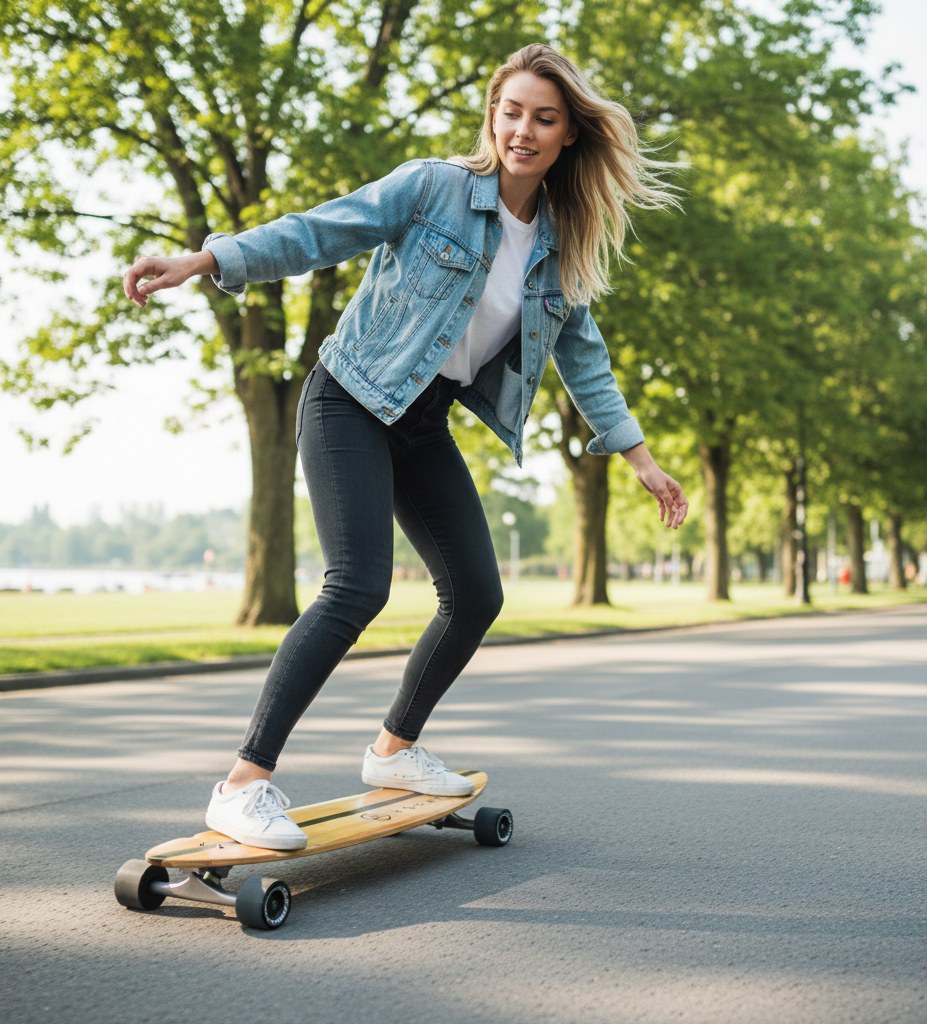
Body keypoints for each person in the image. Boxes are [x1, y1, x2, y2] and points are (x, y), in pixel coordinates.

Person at [123, 44, 689, 851]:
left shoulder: (560, 245)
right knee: (358, 585)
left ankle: (394, 749)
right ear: (492, 115)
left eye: (544, 118)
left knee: (477, 593)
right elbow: (322, 230)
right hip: (349, 400)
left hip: (423, 423)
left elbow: (582, 355)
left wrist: (640, 458)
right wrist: (207, 259)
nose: (522, 130)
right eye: (512, 111)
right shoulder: (434, 188)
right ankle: (242, 784)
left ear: (569, 136)